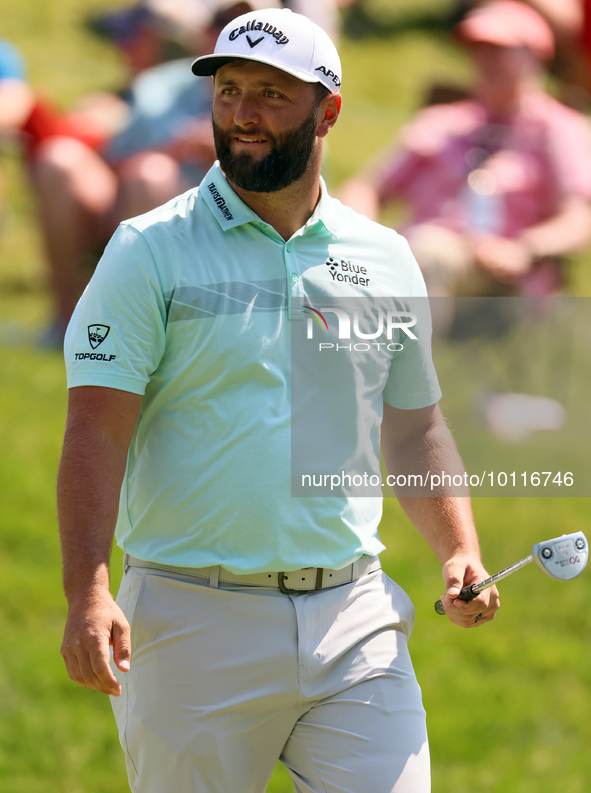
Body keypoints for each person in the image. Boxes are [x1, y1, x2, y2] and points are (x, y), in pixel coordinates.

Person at [57, 8, 499, 792]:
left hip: (354, 616)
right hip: (192, 619)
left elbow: (412, 427)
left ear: (327, 110)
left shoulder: (384, 255)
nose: (243, 115)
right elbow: (95, 431)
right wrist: (89, 589)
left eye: (270, 93)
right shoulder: (147, 250)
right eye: (228, 92)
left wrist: (456, 546)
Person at [340, 0, 591, 305]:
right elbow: (366, 187)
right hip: (424, 250)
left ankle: (397, 349)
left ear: (534, 56)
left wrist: (525, 248)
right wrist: (363, 238)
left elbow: (578, 220)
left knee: (429, 256)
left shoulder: (558, 129)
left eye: (499, 49)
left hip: (503, 273)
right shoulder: (445, 121)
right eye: (478, 49)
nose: (486, 60)